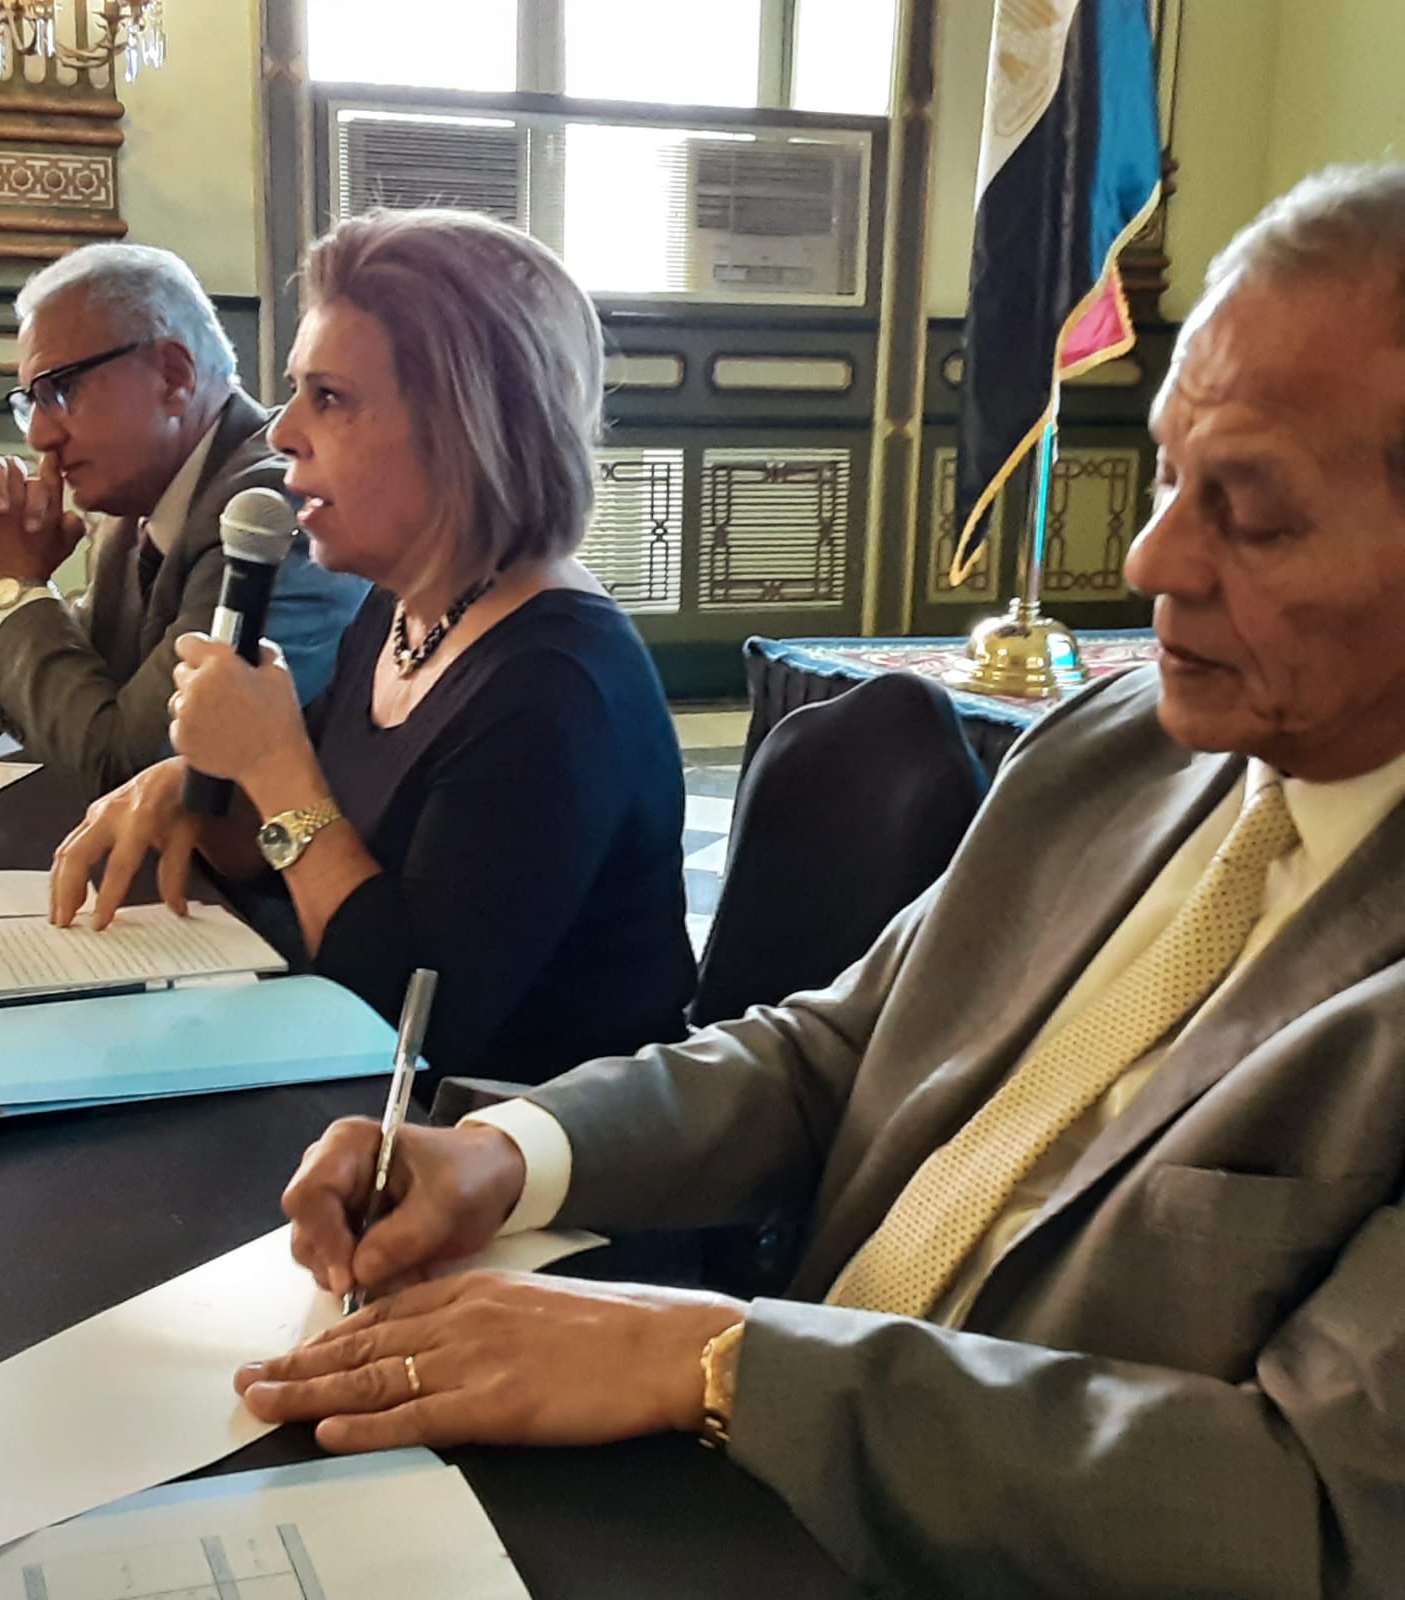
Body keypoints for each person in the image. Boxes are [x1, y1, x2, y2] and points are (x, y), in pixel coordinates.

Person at [228, 163, 1405, 1600]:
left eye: (1254, 514)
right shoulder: (1117, 748)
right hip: (750, 1477)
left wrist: (720, 1361)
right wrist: (511, 1153)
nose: (1152, 556)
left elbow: (1315, 1509)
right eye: (1164, 473)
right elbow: (833, 1051)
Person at [48, 209, 695, 1085]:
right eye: (294, 391)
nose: (281, 432)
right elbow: (304, 861)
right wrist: (197, 793)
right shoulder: (398, 610)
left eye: (330, 398)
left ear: (466, 428)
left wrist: (274, 766)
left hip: (513, 1140)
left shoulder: (555, 685)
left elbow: (414, 1021)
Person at [0, 242, 368, 796]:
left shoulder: (269, 512)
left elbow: (131, 764)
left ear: (172, 376)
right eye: (30, 402)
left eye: (60, 389)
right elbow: (77, 713)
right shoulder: (136, 507)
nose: (39, 436)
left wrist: (12, 587)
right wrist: (14, 586)